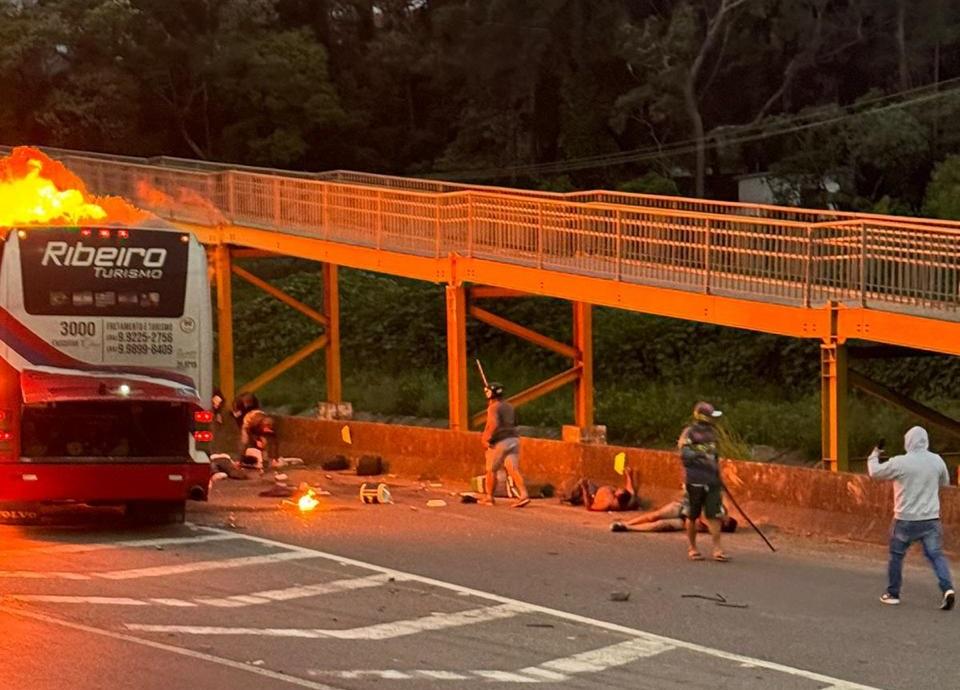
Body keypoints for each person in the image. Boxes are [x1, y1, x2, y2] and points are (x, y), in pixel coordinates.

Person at [868, 427, 955, 610]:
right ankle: (947, 588)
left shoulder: (900, 462)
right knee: (936, 555)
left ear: (907, 442)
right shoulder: (937, 460)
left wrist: (875, 453)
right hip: (931, 518)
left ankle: (893, 593)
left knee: (897, 555)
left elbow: (874, 472)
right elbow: (944, 482)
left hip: (905, 519)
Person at [678, 401, 728, 562]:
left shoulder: (713, 434)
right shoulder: (689, 433)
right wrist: (701, 453)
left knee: (714, 515)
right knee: (692, 515)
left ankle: (718, 549)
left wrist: (719, 475)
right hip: (695, 480)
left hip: (712, 480)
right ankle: (692, 547)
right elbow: (684, 456)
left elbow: (715, 457)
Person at [479, 381, 530, 508]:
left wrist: (486, 438)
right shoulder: (509, 406)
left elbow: (493, 424)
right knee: (513, 468)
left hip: (500, 441)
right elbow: (515, 422)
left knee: (491, 470)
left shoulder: (493, 407)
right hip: (513, 440)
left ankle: (489, 497)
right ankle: (523, 494)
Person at [610, 491, 739, 533]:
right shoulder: (720, 509)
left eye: (725, 522)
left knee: (659, 525)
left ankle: (628, 528)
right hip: (682, 508)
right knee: (654, 515)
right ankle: (627, 522)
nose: (724, 518)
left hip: (683, 521)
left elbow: (701, 519)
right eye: (726, 518)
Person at [577, 467, 642, 512]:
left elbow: (589, 507)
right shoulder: (628, 502)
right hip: (599, 490)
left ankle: (574, 497)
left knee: (582, 482)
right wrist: (629, 475)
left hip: (593, 495)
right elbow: (631, 491)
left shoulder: (607, 503)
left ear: (618, 496)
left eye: (619, 490)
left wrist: (584, 489)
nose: (618, 489)